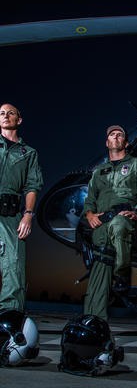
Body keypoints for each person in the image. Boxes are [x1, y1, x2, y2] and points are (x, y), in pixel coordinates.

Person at [83, 125, 137, 321]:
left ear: (126, 142)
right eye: (111, 135)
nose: (115, 137)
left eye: (120, 134)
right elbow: (90, 199)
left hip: (124, 218)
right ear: (107, 143)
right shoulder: (99, 171)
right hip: (101, 223)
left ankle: (122, 273)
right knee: (98, 275)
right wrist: (90, 215)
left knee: (118, 225)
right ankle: (93, 322)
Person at [0, 103, 43, 312]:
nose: (5, 116)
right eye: (1, 113)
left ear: (19, 120)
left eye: (10, 113)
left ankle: (9, 316)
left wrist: (27, 215)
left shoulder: (28, 153)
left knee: (14, 265)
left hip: (11, 215)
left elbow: (32, 186)